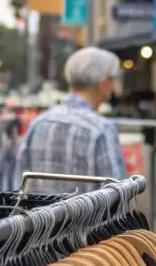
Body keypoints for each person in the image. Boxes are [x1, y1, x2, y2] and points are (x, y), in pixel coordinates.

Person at [14, 47, 126, 193]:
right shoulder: (102, 129)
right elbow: (116, 196)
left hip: (40, 215)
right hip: (88, 216)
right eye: (113, 80)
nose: (114, 87)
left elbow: (20, 186)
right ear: (103, 83)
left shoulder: (39, 123)